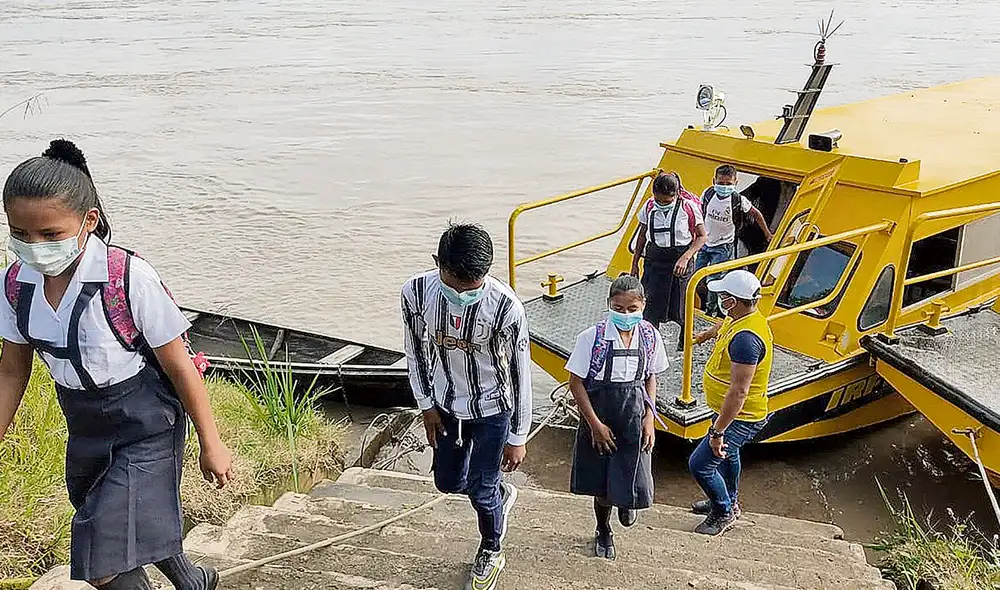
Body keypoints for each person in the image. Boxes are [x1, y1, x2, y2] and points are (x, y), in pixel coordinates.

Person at [0, 140, 232, 590]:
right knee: (118, 515)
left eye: (50, 235)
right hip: (84, 423)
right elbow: (11, 369)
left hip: (145, 422)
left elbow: (181, 366)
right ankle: (195, 581)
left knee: (104, 556)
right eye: (21, 235)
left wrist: (211, 442)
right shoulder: (14, 285)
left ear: (87, 222)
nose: (35, 247)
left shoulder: (126, 278)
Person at [400, 222, 532, 590]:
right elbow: (414, 352)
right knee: (446, 482)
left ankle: (492, 547)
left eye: (471, 285)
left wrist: (518, 435)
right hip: (444, 405)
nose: (461, 292)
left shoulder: (506, 308)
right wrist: (426, 405)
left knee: (481, 488)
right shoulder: (415, 292)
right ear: (438, 264)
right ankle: (496, 493)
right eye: (454, 281)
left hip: (492, 407)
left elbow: (521, 373)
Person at [565, 275, 668, 559]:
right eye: (618, 308)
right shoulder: (592, 338)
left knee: (635, 468)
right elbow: (576, 383)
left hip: (634, 410)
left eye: (632, 308)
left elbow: (651, 377)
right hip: (601, 410)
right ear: (609, 305)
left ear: (643, 305)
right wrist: (595, 425)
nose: (625, 314)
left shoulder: (649, 336)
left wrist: (650, 417)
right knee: (602, 481)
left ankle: (628, 502)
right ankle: (603, 530)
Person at [687, 270, 773, 536]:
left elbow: (739, 392)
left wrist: (717, 431)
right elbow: (724, 325)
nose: (720, 300)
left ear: (733, 301)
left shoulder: (746, 340)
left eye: (724, 296)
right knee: (729, 455)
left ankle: (723, 511)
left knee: (701, 463)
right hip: (729, 412)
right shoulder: (740, 318)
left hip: (741, 415)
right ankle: (730, 500)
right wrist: (706, 335)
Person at [630, 173, 707, 350]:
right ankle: (648, 343)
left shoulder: (688, 208)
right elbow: (642, 236)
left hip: (680, 259)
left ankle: (684, 344)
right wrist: (634, 264)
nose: (662, 204)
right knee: (650, 306)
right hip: (655, 260)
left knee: (681, 306)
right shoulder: (649, 207)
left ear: (676, 194)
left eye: (667, 201)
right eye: (659, 200)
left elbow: (702, 237)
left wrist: (686, 257)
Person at [698, 165, 774, 316]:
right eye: (721, 183)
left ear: (735, 183)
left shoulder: (738, 200)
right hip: (705, 242)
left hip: (723, 246)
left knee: (713, 279)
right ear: (714, 181)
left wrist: (767, 233)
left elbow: (756, 214)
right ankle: (701, 302)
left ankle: (710, 309)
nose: (724, 187)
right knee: (697, 275)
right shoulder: (708, 194)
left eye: (728, 184)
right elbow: (700, 212)